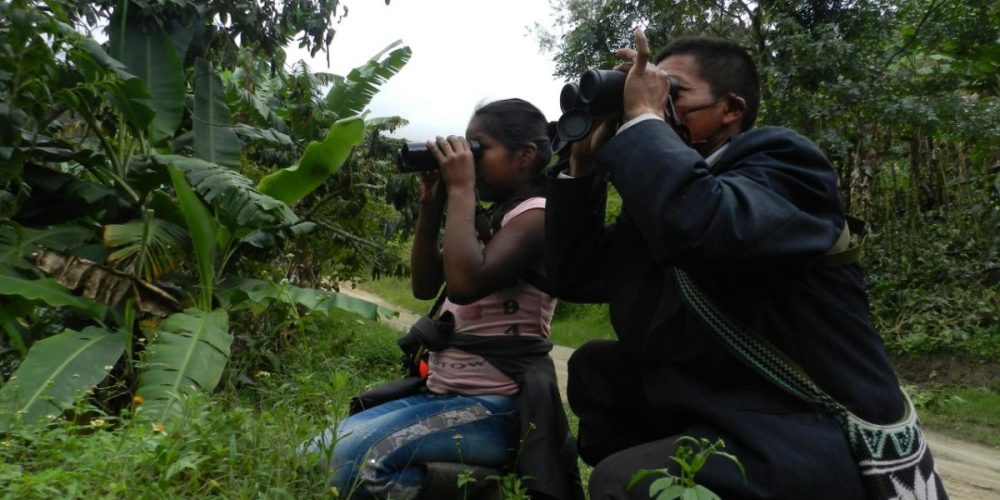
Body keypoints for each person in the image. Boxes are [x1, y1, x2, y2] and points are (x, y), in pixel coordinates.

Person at [544, 30, 943, 498]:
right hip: (722, 400)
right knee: (598, 369)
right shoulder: (666, 194)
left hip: (804, 420)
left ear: (731, 109)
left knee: (623, 481)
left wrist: (644, 120)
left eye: (671, 91)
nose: (654, 101)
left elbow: (701, 225)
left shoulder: (784, 163)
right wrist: (582, 168)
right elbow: (576, 273)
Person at [304, 98, 582, 500]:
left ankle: (490, 492)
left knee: (346, 470)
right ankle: (459, 477)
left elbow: (464, 284)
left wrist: (461, 189)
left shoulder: (537, 215)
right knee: (314, 455)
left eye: (479, 148)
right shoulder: (494, 215)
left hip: (495, 407)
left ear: (525, 156)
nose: (468, 159)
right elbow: (424, 285)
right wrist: (431, 203)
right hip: (438, 394)